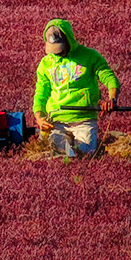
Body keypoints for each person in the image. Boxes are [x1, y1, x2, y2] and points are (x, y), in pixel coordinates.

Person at [32, 18, 120, 158]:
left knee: (85, 153)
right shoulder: (45, 64)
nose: (57, 53)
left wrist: (112, 99)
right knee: (59, 151)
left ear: (69, 41)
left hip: (84, 120)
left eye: (60, 49)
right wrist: (39, 117)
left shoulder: (90, 56)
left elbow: (109, 77)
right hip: (57, 121)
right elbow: (40, 92)